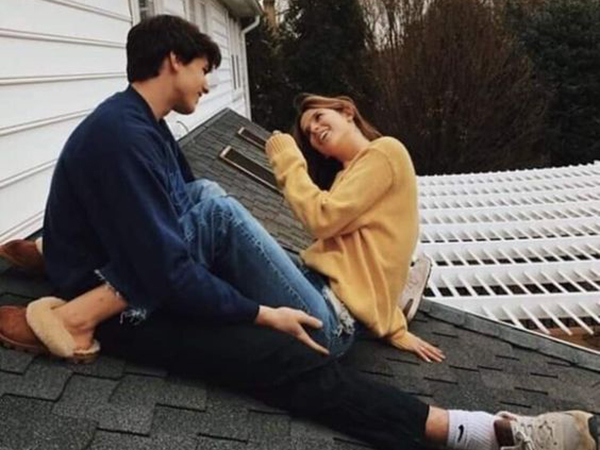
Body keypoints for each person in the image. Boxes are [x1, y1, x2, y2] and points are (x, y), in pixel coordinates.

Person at [0, 14, 596, 450]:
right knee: (281, 346)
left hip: (160, 284)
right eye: (205, 70)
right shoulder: (127, 134)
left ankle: (64, 272)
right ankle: (491, 433)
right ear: (174, 59)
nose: (208, 84)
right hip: (139, 312)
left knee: (205, 206)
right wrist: (262, 312)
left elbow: (171, 220)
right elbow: (172, 257)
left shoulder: (140, 126)